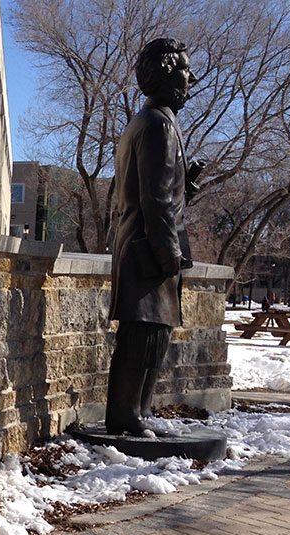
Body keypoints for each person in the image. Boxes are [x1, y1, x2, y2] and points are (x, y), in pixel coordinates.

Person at [105, 37, 204, 436]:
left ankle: (138, 413)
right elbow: (155, 199)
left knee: (151, 336)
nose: (190, 77)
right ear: (165, 73)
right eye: (183, 69)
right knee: (143, 336)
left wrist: (188, 188)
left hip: (143, 245)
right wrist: (169, 255)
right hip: (148, 250)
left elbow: (160, 192)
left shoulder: (148, 121)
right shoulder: (159, 125)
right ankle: (127, 415)